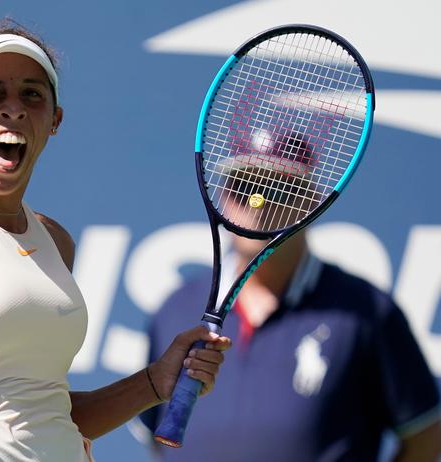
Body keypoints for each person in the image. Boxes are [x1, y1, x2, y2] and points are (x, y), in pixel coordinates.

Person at [0, 19, 231, 462]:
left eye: (31, 94)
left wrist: (154, 382)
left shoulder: (54, 240)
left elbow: (44, 416)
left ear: (55, 120)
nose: (12, 108)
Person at [139, 132, 441, 460]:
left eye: (277, 189)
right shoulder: (174, 310)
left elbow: (424, 434)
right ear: (221, 198)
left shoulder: (367, 312)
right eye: (242, 188)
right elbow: (155, 438)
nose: (257, 204)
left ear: (312, 200)